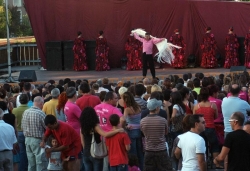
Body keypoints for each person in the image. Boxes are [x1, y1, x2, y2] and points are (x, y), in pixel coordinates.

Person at [193, 87, 222, 169]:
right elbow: (216, 116)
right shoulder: (213, 105)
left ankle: (204, 163)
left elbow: (194, 117)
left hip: (200, 129)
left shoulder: (196, 106)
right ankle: (217, 163)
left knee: (202, 146)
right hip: (211, 128)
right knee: (215, 145)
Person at [140, 98, 172, 171]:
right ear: (157, 108)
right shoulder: (163, 120)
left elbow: (143, 132)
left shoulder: (142, 121)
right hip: (161, 149)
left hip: (148, 149)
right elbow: (166, 132)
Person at [21, 96, 47, 171]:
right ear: (41, 103)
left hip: (27, 140)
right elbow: (47, 127)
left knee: (31, 163)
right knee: (40, 163)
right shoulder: (40, 113)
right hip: (37, 140)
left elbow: (22, 127)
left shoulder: (25, 112)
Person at [123, 92, 144, 170]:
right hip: (139, 130)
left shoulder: (127, 109)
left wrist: (125, 126)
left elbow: (123, 119)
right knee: (140, 152)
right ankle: (141, 168)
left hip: (131, 131)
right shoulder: (138, 106)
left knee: (133, 152)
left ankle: (135, 168)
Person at [12, 93, 29, 171]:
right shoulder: (30, 109)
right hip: (28, 133)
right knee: (29, 153)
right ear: (27, 100)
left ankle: (22, 169)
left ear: (19, 100)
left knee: (21, 153)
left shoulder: (15, 110)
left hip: (18, 133)